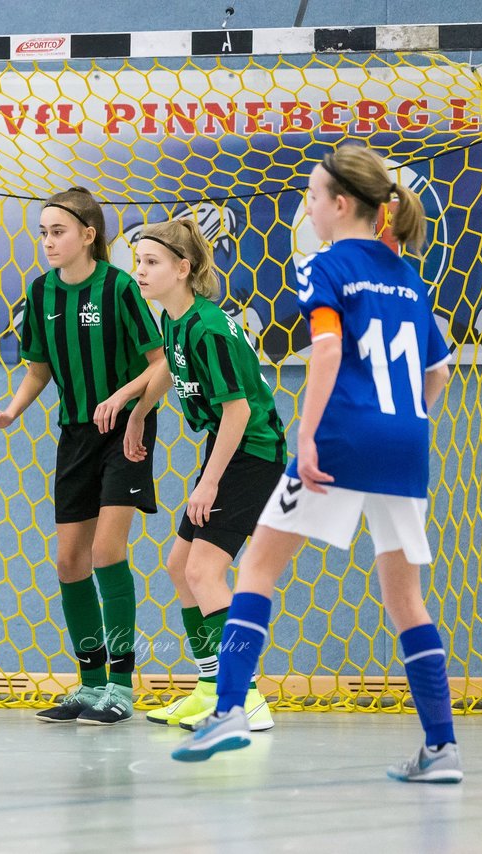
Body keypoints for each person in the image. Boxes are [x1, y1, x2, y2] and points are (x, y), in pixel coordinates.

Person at [171, 144, 460, 784]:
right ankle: (441, 748)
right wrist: (406, 423)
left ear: (339, 204)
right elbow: (436, 373)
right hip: (406, 445)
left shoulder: (324, 266)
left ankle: (229, 710)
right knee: (407, 600)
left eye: (310, 194)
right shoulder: (409, 277)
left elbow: (325, 353)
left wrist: (307, 437)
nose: (305, 203)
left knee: (257, 568)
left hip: (340, 441)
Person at [0, 188, 166, 725]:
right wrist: (11, 411)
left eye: (58, 231)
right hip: (76, 436)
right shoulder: (40, 295)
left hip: (127, 430)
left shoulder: (122, 288)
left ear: (88, 234)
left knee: (107, 552)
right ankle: (89, 684)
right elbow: (37, 368)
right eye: (42, 232)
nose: (49, 241)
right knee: (69, 561)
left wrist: (125, 401)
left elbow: (159, 365)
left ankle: (123, 688)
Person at [123, 217, 285, 732]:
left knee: (203, 571)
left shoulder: (210, 327)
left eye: (152, 263)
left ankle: (245, 698)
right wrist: (136, 412)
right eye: (139, 262)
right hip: (228, 448)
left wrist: (210, 481)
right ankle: (211, 687)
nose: (141, 272)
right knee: (179, 564)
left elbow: (237, 412)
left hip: (252, 452)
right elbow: (168, 369)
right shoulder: (176, 320)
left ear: (183, 268)